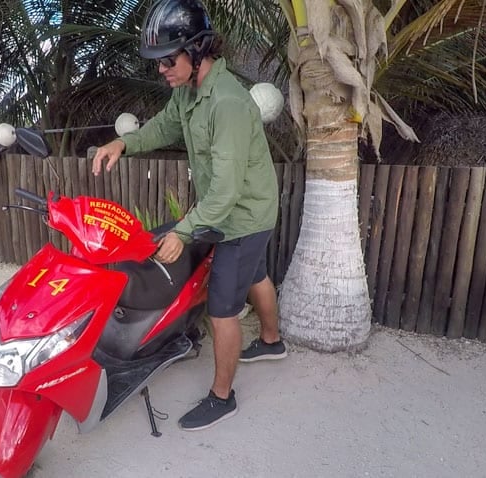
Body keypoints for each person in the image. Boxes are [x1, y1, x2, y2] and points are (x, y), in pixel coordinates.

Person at [91, 0, 286, 431]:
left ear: (197, 51)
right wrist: (124, 144)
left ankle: (222, 398)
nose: (161, 70)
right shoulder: (189, 92)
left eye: (167, 60)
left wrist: (183, 231)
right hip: (240, 204)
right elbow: (164, 127)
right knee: (255, 275)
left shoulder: (229, 104)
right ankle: (272, 342)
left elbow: (225, 193)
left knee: (222, 308)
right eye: (158, 62)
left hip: (243, 215)